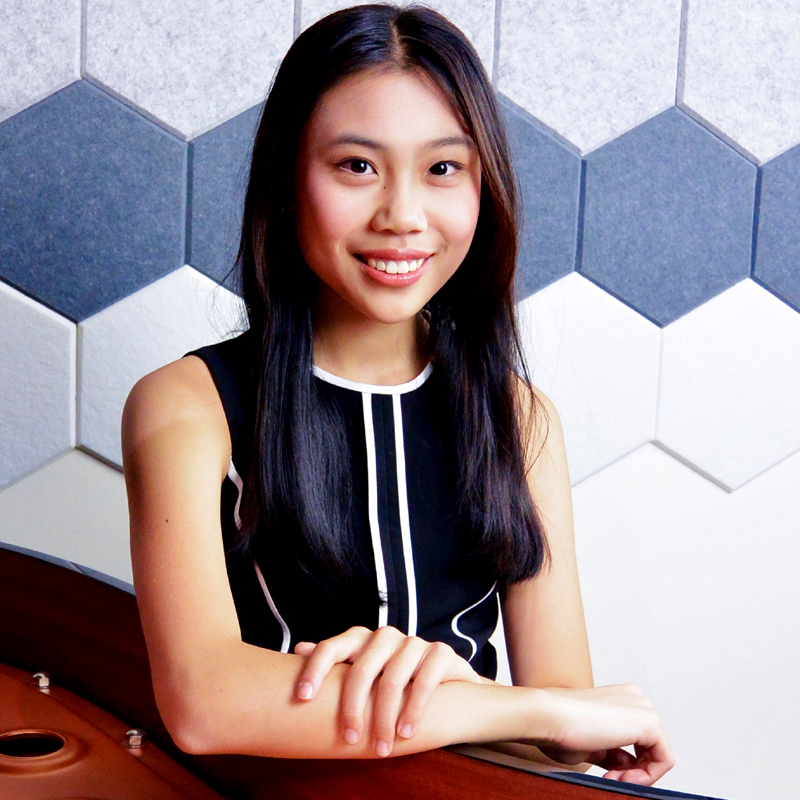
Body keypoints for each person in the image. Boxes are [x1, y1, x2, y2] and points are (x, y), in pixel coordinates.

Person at [121, 3, 674, 786]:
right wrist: (493, 703)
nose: (403, 217)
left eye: (443, 169)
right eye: (357, 166)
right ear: (286, 182)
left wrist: (527, 712)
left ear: (485, 187)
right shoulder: (187, 405)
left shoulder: (520, 419)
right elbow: (204, 702)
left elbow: (563, 739)